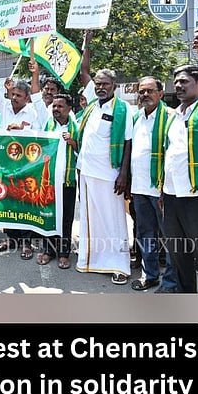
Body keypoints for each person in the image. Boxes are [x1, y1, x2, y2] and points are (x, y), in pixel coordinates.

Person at [0, 51, 47, 259]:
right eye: (12, 94)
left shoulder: (33, 112)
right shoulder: (4, 105)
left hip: (27, 165)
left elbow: (41, 134)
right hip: (6, 164)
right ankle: (12, 239)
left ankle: (27, 243)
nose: (14, 98)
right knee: (7, 201)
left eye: (18, 96)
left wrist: (21, 132)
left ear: (26, 98)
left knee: (25, 202)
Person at [76, 68, 132, 284]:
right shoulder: (91, 107)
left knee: (113, 220)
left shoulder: (123, 108)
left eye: (105, 84)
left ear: (114, 86)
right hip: (88, 172)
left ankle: (119, 265)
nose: (100, 87)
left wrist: (123, 174)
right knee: (91, 220)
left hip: (110, 174)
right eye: (98, 84)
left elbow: (128, 141)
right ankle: (93, 260)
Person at [129, 77, 178, 293]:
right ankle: (150, 275)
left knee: (169, 237)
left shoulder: (171, 117)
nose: (145, 95)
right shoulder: (137, 117)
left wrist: (164, 188)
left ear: (160, 93)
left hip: (162, 188)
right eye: (142, 92)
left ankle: (171, 282)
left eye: (150, 91)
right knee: (144, 234)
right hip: (140, 188)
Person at [162, 64, 198, 293]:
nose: (178, 85)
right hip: (171, 194)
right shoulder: (175, 114)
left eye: (184, 81)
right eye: (176, 82)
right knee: (179, 253)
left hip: (195, 194)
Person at [37, 93, 79, 270]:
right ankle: (48, 251)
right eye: (54, 106)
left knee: (66, 218)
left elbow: (83, 150)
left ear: (69, 108)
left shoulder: (76, 127)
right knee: (49, 216)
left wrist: (72, 142)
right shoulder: (48, 125)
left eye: (60, 106)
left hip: (67, 181)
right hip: (50, 182)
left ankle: (64, 254)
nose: (56, 109)